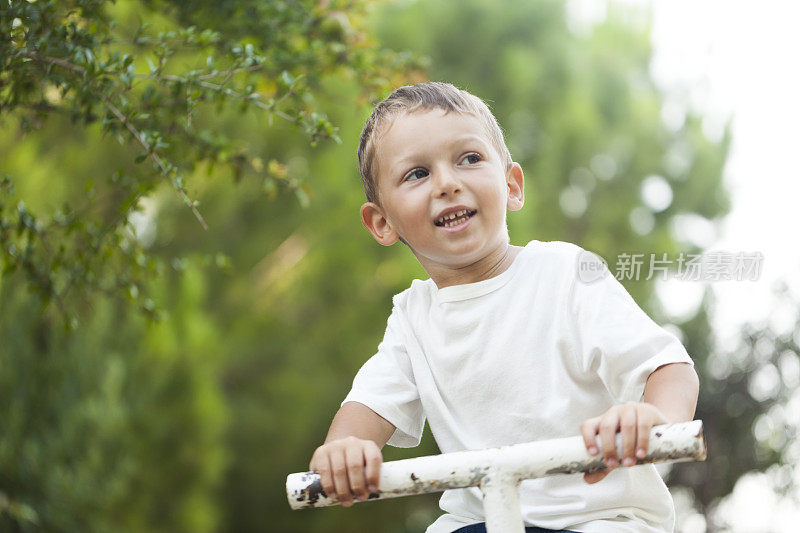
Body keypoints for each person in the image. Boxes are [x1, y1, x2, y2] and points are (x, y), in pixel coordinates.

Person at [308, 82, 699, 533]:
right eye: (417, 174)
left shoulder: (563, 273)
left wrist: (654, 419)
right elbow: (365, 411)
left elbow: (669, 368)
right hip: (484, 522)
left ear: (512, 186)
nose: (448, 184)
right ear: (382, 222)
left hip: (601, 520)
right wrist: (343, 450)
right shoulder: (412, 319)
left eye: (469, 159)